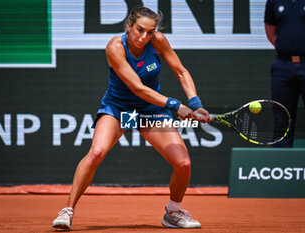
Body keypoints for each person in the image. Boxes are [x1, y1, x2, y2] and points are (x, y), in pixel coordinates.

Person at [52, 6, 211, 231]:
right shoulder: (115, 47)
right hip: (119, 109)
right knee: (96, 153)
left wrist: (195, 103)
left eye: (150, 32)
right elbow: (136, 87)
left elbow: (181, 71)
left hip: (150, 112)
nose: (143, 37)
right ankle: (67, 211)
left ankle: (173, 213)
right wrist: (176, 105)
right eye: (139, 30)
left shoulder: (157, 41)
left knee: (183, 164)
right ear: (129, 25)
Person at [264, 0, 305, 148]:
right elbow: (271, 32)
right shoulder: (274, 1)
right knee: (281, 123)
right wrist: (288, 50)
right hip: (283, 67)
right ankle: (281, 168)